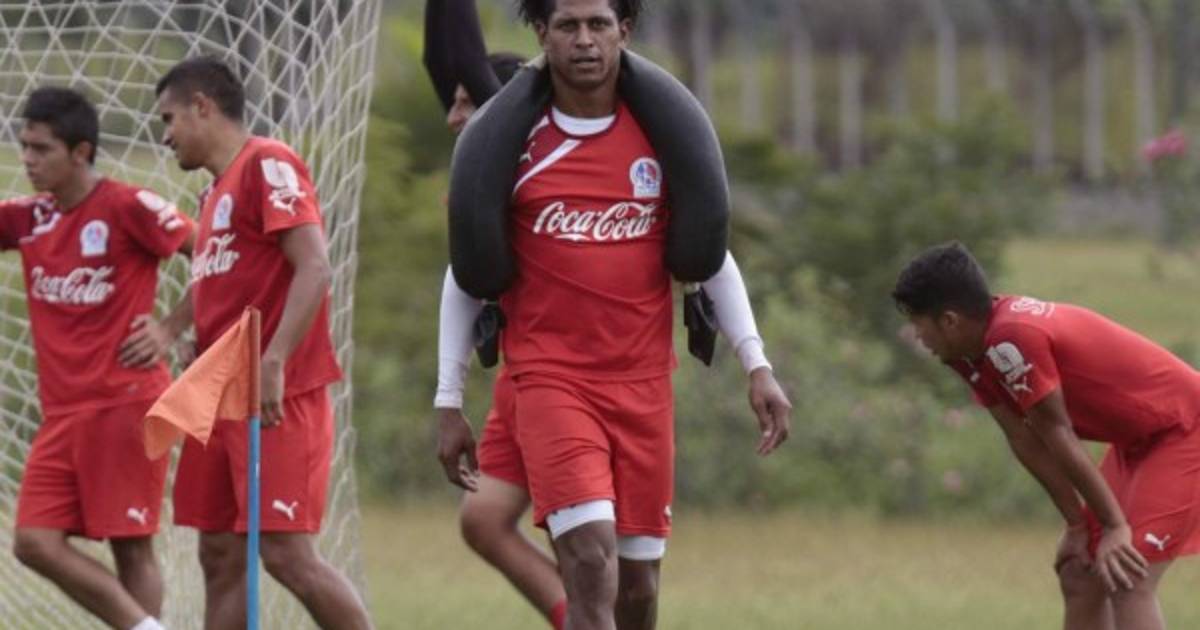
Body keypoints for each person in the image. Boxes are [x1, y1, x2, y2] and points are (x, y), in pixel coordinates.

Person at [438, 2, 792, 628]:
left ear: (624, 33)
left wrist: (756, 364)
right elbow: (466, 273)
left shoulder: (660, 136)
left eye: (598, 24)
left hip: (643, 386)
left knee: (638, 593)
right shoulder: (517, 144)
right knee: (589, 558)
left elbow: (711, 255)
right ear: (541, 34)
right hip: (550, 381)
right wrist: (449, 397)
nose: (584, 40)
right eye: (567, 25)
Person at [146, 56, 371, 630]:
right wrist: (184, 331)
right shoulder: (211, 196)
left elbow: (314, 267)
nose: (165, 135)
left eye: (169, 118)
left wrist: (273, 359)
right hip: (218, 398)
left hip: (275, 395)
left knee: (285, 554)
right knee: (219, 554)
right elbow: (219, 281)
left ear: (203, 106)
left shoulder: (267, 162)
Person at [893, 242, 1200, 630]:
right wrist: (1077, 525)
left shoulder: (1011, 338)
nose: (917, 335)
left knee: (1128, 575)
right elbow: (1023, 439)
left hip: (1185, 429)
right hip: (1138, 442)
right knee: (1079, 572)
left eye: (918, 322)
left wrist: (1113, 525)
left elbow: (1057, 432)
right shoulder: (967, 353)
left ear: (950, 320)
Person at [7, 86, 193, 630]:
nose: (28, 159)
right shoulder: (30, 218)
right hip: (63, 413)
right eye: (24, 146)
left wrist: (170, 327)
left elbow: (215, 253)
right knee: (33, 541)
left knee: (131, 546)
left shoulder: (129, 206)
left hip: (125, 402)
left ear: (81, 152)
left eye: (41, 149)